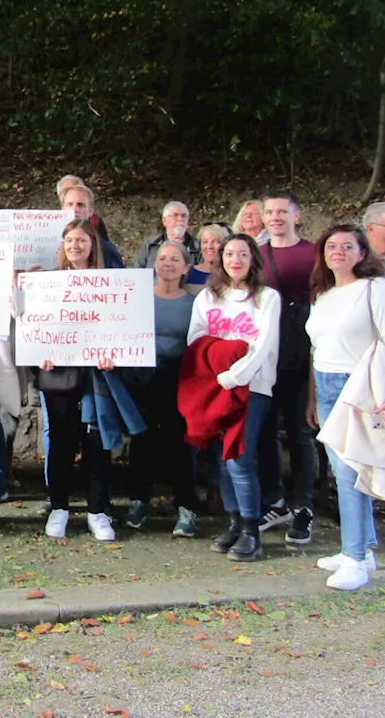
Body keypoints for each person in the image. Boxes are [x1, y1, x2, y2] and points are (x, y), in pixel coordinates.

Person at [305, 225, 385, 589]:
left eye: (347, 246)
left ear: (363, 252)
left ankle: (352, 558)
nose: (338, 252)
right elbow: (316, 350)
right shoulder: (323, 294)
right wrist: (312, 399)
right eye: (331, 246)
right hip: (325, 385)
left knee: (352, 474)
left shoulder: (376, 290)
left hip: (360, 388)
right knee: (341, 471)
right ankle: (363, 549)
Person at [186, 233, 280, 562]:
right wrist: (217, 371)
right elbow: (196, 339)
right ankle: (234, 522)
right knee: (221, 462)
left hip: (252, 387)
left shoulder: (267, 298)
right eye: (228, 254)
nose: (235, 260)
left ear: (253, 258)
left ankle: (252, 531)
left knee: (239, 458)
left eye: (242, 254)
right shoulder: (208, 297)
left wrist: (235, 376)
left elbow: (263, 345)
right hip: (215, 388)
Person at [39, 219, 120, 541]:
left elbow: (120, 325)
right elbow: (34, 324)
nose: (75, 246)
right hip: (59, 376)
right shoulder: (47, 283)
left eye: (82, 240)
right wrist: (39, 352)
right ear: (63, 246)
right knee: (60, 443)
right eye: (70, 240)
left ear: (93, 245)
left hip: (97, 377)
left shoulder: (111, 284)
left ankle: (98, 511)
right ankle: (59, 508)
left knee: (97, 445)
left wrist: (116, 354)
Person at [254, 190, 319, 544]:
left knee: (300, 432)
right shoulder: (257, 255)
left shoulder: (313, 253)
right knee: (264, 431)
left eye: (282, 211)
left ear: (297, 215)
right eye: (269, 212)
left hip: (300, 351)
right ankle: (276, 502)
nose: (275, 217)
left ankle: (304, 507)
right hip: (265, 355)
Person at [127, 242, 200, 537]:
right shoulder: (137, 298)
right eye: (161, 258)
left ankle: (186, 507)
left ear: (186, 268)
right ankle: (138, 501)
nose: (167, 263)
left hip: (181, 379)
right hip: (143, 377)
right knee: (142, 440)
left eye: (174, 259)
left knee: (181, 443)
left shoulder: (195, 303)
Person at [61, 184, 124, 269]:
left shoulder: (106, 250)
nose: (74, 209)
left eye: (80, 205)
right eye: (70, 204)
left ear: (91, 211)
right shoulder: (48, 246)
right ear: (62, 209)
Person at [134, 201, 200, 268]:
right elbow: (137, 273)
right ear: (164, 221)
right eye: (175, 215)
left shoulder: (198, 247)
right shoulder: (150, 245)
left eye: (184, 216)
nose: (180, 219)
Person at [187, 223, 227, 294]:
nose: (209, 246)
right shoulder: (188, 273)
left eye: (215, 242)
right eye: (205, 242)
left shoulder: (229, 274)